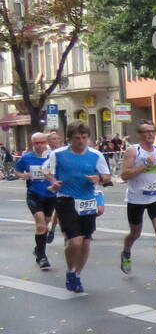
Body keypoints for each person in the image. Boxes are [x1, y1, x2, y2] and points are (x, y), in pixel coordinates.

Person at [47, 122, 113, 294]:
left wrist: (98, 178)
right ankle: (70, 270)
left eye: (84, 137)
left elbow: (107, 176)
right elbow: (46, 170)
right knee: (75, 241)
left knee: (85, 242)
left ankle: (76, 274)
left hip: (88, 201)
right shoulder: (58, 154)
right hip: (66, 200)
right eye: (77, 138)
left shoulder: (96, 155)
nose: (81, 141)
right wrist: (53, 182)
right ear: (69, 138)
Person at [119, 121, 156, 283]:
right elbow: (124, 175)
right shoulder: (133, 151)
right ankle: (126, 252)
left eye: (152, 131)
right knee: (135, 233)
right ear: (139, 135)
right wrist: (143, 166)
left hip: (155, 196)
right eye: (146, 132)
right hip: (136, 198)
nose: (150, 134)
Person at [16, 132, 56, 270]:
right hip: (34, 194)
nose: (39, 145)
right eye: (36, 143)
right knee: (41, 226)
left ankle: (38, 248)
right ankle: (42, 257)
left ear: (46, 142)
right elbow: (17, 171)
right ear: (32, 143)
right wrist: (24, 175)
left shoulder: (53, 156)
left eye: (41, 142)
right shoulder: (26, 158)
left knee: (46, 223)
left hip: (50, 195)